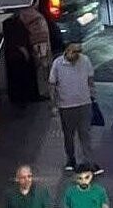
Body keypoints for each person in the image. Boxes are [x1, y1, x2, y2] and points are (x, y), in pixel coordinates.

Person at [49, 43, 97, 172]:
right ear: (67, 51)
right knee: (69, 135)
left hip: (84, 103)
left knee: (85, 134)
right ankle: (71, 159)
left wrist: (93, 96)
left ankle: (89, 161)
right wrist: (53, 104)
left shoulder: (85, 60)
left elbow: (90, 79)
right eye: (74, 52)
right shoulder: (57, 63)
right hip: (66, 106)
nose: (76, 55)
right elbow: (52, 84)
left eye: (78, 53)